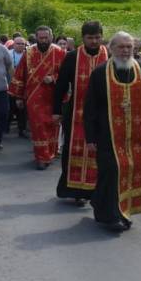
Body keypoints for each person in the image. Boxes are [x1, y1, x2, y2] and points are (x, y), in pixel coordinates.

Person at [84, 31, 141, 232]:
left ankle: (121, 212)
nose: (126, 51)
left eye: (129, 47)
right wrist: (90, 136)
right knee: (111, 172)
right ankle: (112, 216)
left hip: (134, 136)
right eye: (121, 47)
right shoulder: (100, 73)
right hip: (107, 135)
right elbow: (90, 107)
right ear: (111, 49)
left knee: (128, 171)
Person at [52, 21, 108, 204]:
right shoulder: (72, 57)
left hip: (102, 115)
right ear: (82, 38)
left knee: (99, 152)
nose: (94, 41)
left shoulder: (109, 56)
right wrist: (56, 110)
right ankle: (75, 190)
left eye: (97, 37)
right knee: (72, 150)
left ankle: (95, 190)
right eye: (90, 38)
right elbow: (60, 86)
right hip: (77, 111)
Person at [9, 26, 65, 169]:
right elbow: (20, 75)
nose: (44, 40)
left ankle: (50, 154)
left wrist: (53, 78)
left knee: (52, 126)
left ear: (51, 37)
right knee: (38, 127)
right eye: (41, 38)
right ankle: (41, 158)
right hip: (34, 98)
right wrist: (19, 97)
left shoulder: (60, 53)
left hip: (53, 97)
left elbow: (66, 76)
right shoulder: (28, 53)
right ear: (37, 38)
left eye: (46, 38)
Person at [8, 36, 28, 137]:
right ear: (13, 44)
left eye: (22, 44)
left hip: (23, 85)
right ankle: (5, 126)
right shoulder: (8, 54)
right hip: (10, 84)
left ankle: (22, 129)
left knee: (22, 108)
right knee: (9, 107)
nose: (20, 46)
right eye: (18, 44)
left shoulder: (28, 54)